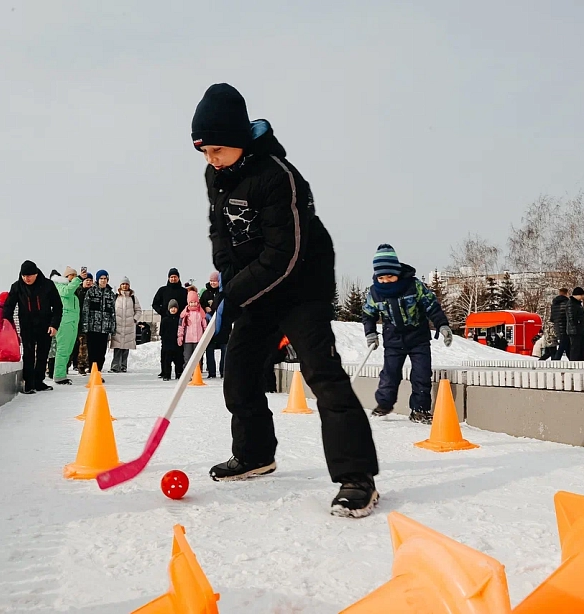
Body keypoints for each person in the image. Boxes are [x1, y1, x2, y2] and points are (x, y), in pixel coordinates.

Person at [193, 82, 379, 516]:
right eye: (203, 152)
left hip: (301, 287)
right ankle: (256, 454)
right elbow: (220, 231)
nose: (210, 160)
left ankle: (357, 478)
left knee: (322, 374)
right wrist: (228, 276)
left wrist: (237, 292)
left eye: (217, 150)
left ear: (239, 140)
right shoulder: (215, 174)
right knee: (239, 370)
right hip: (256, 283)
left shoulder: (279, 176)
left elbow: (285, 254)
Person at [362, 244, 454, 424]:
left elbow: (431, 306)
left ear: (397, 271)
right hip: (393, 339)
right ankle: (384, 404)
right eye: (381, 277)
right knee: (390, 374)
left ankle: (419, 410)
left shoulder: (413, 286)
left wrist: (442, 325)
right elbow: (368, 314)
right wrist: (371, 333)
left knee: (421, 374)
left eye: (390, 276)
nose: (386, 280)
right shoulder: (375, 293)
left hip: (418, 338)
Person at [3, 260, 63, 394]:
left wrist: (54, 325)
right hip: (27, 325)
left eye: (29, 275)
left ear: (36, 274)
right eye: (24, 276)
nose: (27, 278)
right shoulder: (17, 286)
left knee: (43, 354)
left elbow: (58, 306)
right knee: (28, 354)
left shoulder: (48, 285)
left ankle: (39, 381)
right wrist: (7, 324)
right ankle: (29, 383)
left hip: (45, 325)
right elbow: (8, 306)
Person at [50, 267, 82, 384]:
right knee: (63, 349)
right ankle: (59, 375)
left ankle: (62, 373)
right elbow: (66, 292)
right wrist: (78, 279)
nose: (73, 277)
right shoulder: (59, 286)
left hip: (73, 322)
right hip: (65, 322)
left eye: (75, 275)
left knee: (68, 350)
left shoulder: (72, 290)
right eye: (71, 275)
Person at [82, 270, 116, 378]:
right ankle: (93, 372)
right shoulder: (91, 292)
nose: (103, 280)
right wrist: (85, 325)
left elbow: (113, 312)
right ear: (97, 280)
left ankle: (98, 372)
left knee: (102, 352)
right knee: (92, 351)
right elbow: (86, 309)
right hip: (93, 327)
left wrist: (113, 327)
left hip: (104, 328)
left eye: (105, 278)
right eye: (101, 278)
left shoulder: (110, 294)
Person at [200, 271, 229, 378]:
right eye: (211, 281)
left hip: (223, 326)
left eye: (215, 281)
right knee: (209, 350)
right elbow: (200, 305)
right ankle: (211, 372)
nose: (213, 283)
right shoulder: (206, 293)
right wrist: (205, 309)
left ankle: (223, 371)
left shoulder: (223, 293)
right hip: (209, 327)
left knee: (224, 350)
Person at [110, 276, 142, 373]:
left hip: (129, 326)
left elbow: (138, 311)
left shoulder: (133, 298)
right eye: (123, 284)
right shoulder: (115, 297)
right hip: (118, 325)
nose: (125, 286)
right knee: (117, 347)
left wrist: (134, 319)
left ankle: (123, 366)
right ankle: (115, 366)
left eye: (126, 284)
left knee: (125, 348)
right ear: (120, 285)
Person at [71, 275, 95, 375]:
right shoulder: (77, 291)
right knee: (74, 345)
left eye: (90, 280)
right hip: (77, 321)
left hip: (88, 323)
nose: (88, 282)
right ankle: (73, 364)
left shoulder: (93, 292)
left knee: (84, 346)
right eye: (86, 280)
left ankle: (83, 365)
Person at [178, 288, 208, 366]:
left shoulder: (201, 313)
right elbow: (181, 326)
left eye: (195, 302)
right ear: (188, 303)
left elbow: (205, 326)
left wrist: (206, 336)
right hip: (188, 339)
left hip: (199, 339)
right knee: (187, 357)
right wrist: (180, 336)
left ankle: (197, 373)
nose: (193, 304)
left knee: (198, 357)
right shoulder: (185, 314)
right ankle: (187, 373)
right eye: (191, 302)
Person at [160, 299, 184, 380]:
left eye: (175, 308)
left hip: (177, 343)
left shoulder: (180, 319)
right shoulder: (164, 320)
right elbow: (161, 332)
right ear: (168, 309)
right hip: (167, 344)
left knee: (179, 360)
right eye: (171, 308)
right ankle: (167, 375)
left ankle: (179, 374)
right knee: (167, 361)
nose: (173, 309)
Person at [565, 287, 584, 361]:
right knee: (576, 349)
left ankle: (580, 362)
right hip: (575, 331)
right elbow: (571, 318)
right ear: (578, 295)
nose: (583, 297)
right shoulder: (571, 304)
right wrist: (577, 324)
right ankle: (575, 363)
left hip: (579, 330)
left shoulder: (577, 304)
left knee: (582, 348)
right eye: (582, 295)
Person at [549, 288, 570, 360]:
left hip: (557, 326)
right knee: (563, 344)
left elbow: (552, 317)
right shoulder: (568, 303)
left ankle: (571, 359)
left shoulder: (554, 304)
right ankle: (556, 359)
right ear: (566, 293)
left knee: (565, 344)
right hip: (565, 326)